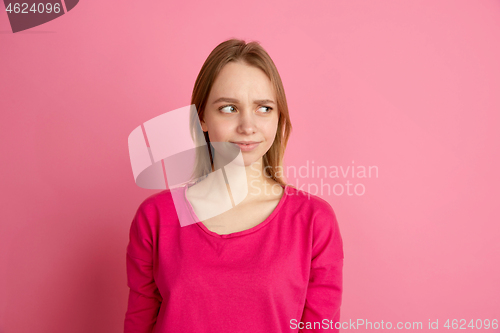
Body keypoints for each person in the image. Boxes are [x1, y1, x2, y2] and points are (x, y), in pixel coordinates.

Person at [124, 38, 344, 333]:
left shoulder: (314, 222)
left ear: (279, 118)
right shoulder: (156, 218)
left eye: (264, 108)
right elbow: (139, 324)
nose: (247, 126)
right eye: (229, 108)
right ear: (201, 117)